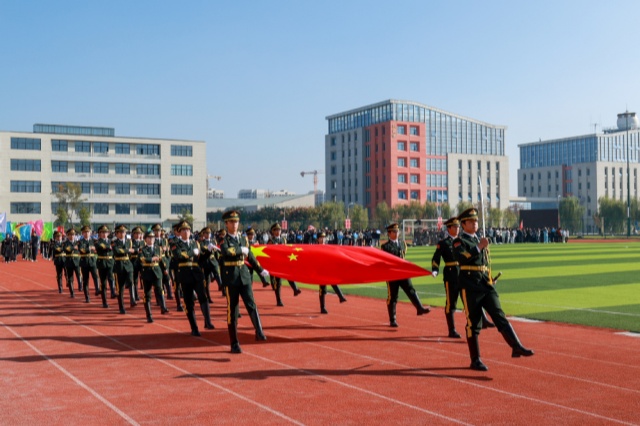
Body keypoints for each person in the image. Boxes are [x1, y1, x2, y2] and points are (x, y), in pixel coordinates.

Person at [453, 207, 534, 371]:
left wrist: (489, 278)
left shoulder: (479, 239)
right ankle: (475, 360)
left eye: (476, 221)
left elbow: (484, 264)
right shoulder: (459, 241)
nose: (475, 224)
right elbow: (463, 258)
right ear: (464, 224)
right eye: (471, 221)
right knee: (473, 323)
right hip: (470, 285)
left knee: (499, 314)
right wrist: (479, 247)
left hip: (485, 283)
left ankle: (516, 346)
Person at [219, 210, 270, 354]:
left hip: (244, 276)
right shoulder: (223, 240)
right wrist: (239, 250)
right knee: (233, 310)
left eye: (236, 222)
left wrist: (260, 269)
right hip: (231, 278)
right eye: (231, 222)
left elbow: (250, 256)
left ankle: (259, 331)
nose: (234, 224)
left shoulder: (244, 239)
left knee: (251, 304)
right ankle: (234, 343)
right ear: (226, 224)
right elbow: (226, 251)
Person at [381, 223, 430, 327]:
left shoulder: (403, 243)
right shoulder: (385, 246)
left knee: (410, 289)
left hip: (403, 272)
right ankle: (393, 319)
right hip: (392, 273)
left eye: (397, 231)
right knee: (393, 296)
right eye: (394, 231)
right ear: (389, 233)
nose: (396, 233)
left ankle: (419, 308)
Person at [170, 221, 214, 336]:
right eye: (183, 230)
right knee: (189, 302)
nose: (186, 232)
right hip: (185, 274)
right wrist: (191, 253)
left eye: (188, 230)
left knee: (203, 297)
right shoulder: (175, 244)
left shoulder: (195, 243)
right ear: (179, 232)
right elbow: (179, 255)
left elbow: (200, 259)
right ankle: (194, 328)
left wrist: (208, 251)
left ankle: (208, 321)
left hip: (196, 272)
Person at [431, 217, 463, 338]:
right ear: (449, 228)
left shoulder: (462, 241)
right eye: (455, 227)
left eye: (458, 226)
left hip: (463, 274)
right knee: (451, 302)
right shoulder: (444, 243)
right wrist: (435, 269)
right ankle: (452, 329)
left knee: (469, 301)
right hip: (451, 274)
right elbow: (436, 257)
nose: (457, 228)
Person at [138, 230, 169, 322]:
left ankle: (163, 307)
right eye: (149, 238)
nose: (151, 239)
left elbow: (162, 259)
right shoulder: (142, 249)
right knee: (147, 294)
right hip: (147, 272)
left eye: (152, 238)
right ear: (145, 239)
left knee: (160, 289)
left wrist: (165, 269)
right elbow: (142, 259)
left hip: (157, 271)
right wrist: (151, 259)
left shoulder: (158, 248)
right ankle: (149, 315)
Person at [267, 222, 301, 306]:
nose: (278, 232)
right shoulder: (271, 241)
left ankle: (295, 289)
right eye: (276, 230)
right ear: (273, 231)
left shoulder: (283, 240)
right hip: (275, 263)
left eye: (279, 230)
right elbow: (269, 252)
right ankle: (279, 300)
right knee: (278, 282)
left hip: (283, 262)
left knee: (289, 275)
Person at [316, 231, 347, 314]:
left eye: (324, 238)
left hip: (327, 269)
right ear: (318, 239)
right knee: (322, 289)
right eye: (321, 238)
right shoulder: (315, 248)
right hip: (320, 271)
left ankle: (341, 296)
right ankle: (322, 307)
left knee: (333, 282)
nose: (323, 239)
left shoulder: (328, 247)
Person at [112, 224, 135, 314]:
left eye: (124, 232)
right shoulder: (114, 242)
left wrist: (127, 250)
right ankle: (121, 307)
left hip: (128, 264)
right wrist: (127, 250)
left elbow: (133, 250)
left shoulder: (129, 241)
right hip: (119, 265)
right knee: (120, 289)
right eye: (120, 232)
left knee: (131, 280)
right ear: (117, 233)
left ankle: (132, 297)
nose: (122, 234)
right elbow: (117, 251)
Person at [198, 227, 222, 304]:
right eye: (207, 233)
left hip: (213, 261)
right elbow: (202, 251)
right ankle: (208, 297)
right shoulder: (201, 243)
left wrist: (218, 260)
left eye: (209, 233)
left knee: (217, 273)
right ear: (204, 234)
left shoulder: (213, 241)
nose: (208, 234)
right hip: (206, 262)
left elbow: (216, 252)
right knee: (206, 282)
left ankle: (221, 285)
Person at [95, 225, 115, 308]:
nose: (104, 234)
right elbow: (101, 247)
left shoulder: (111, 241)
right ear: (99, 234)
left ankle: (113, 292)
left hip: (110, 262)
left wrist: (110, 247)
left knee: (111, 277)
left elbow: (115, 248)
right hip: (102, 263)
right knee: (103, 283)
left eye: (105, 232)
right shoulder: (98, 242)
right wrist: (109, 247)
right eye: (102, 232)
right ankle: (104, 301)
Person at [78, 225, 99, 302]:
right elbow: (81, 250)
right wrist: (89, 248)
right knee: (85, 280)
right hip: (84, 262)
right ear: (82, 233)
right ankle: (87, 297)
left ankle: (97, 289)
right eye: (85, 232)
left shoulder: (94, 241)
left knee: (95, 276)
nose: (86, 234)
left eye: (88, 232)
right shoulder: (80, 242)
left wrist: (95, 249)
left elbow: (97, 249)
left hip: (92, 261)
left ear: (90, 233)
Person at [62, 228, 82, 298]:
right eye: (70, 235)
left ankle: (80, 285)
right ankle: (72, 292)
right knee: (70, 278)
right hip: (69, 261)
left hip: (77, 261)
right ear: (68, 235)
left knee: (79, 274)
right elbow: (66, 249)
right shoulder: (65, 243)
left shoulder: (78, 242)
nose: (72, 236)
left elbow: (81, 249)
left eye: (73, 235)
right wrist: (74, 248)